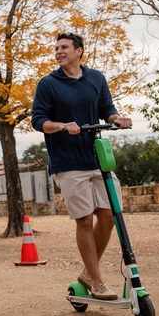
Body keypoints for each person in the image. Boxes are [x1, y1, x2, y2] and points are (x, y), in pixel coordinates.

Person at [31, 32, 133, 301]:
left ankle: (88, 274)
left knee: (110, 215)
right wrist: (62, 125)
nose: (58, 51)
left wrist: (117, 118)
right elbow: (38, 120)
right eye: (56, 48)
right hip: (68, 162)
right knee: (85, 219)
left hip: (97, 158)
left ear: (79, 51)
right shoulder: (48, 84)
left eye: (64, 47)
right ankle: (97, 282)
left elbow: (106, 108)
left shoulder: (96, 78)